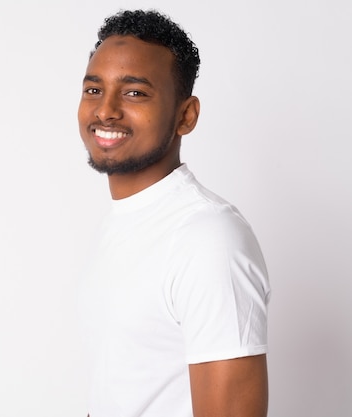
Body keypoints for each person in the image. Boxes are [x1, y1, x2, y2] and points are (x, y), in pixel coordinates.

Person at [77, 10, 271, 417]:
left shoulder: (207, 239)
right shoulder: (127, 221)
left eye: (134, 93)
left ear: (186, 115)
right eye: (94, 90)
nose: (106, 110)